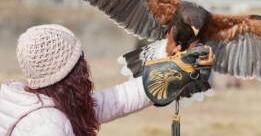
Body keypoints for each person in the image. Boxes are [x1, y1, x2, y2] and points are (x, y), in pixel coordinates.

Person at [0, 24, 212, 136]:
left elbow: (114, 101)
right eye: (79, 60)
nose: (85, 65)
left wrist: (174, 72)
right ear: (68, 71)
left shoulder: (31, 100)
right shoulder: (46, 126)